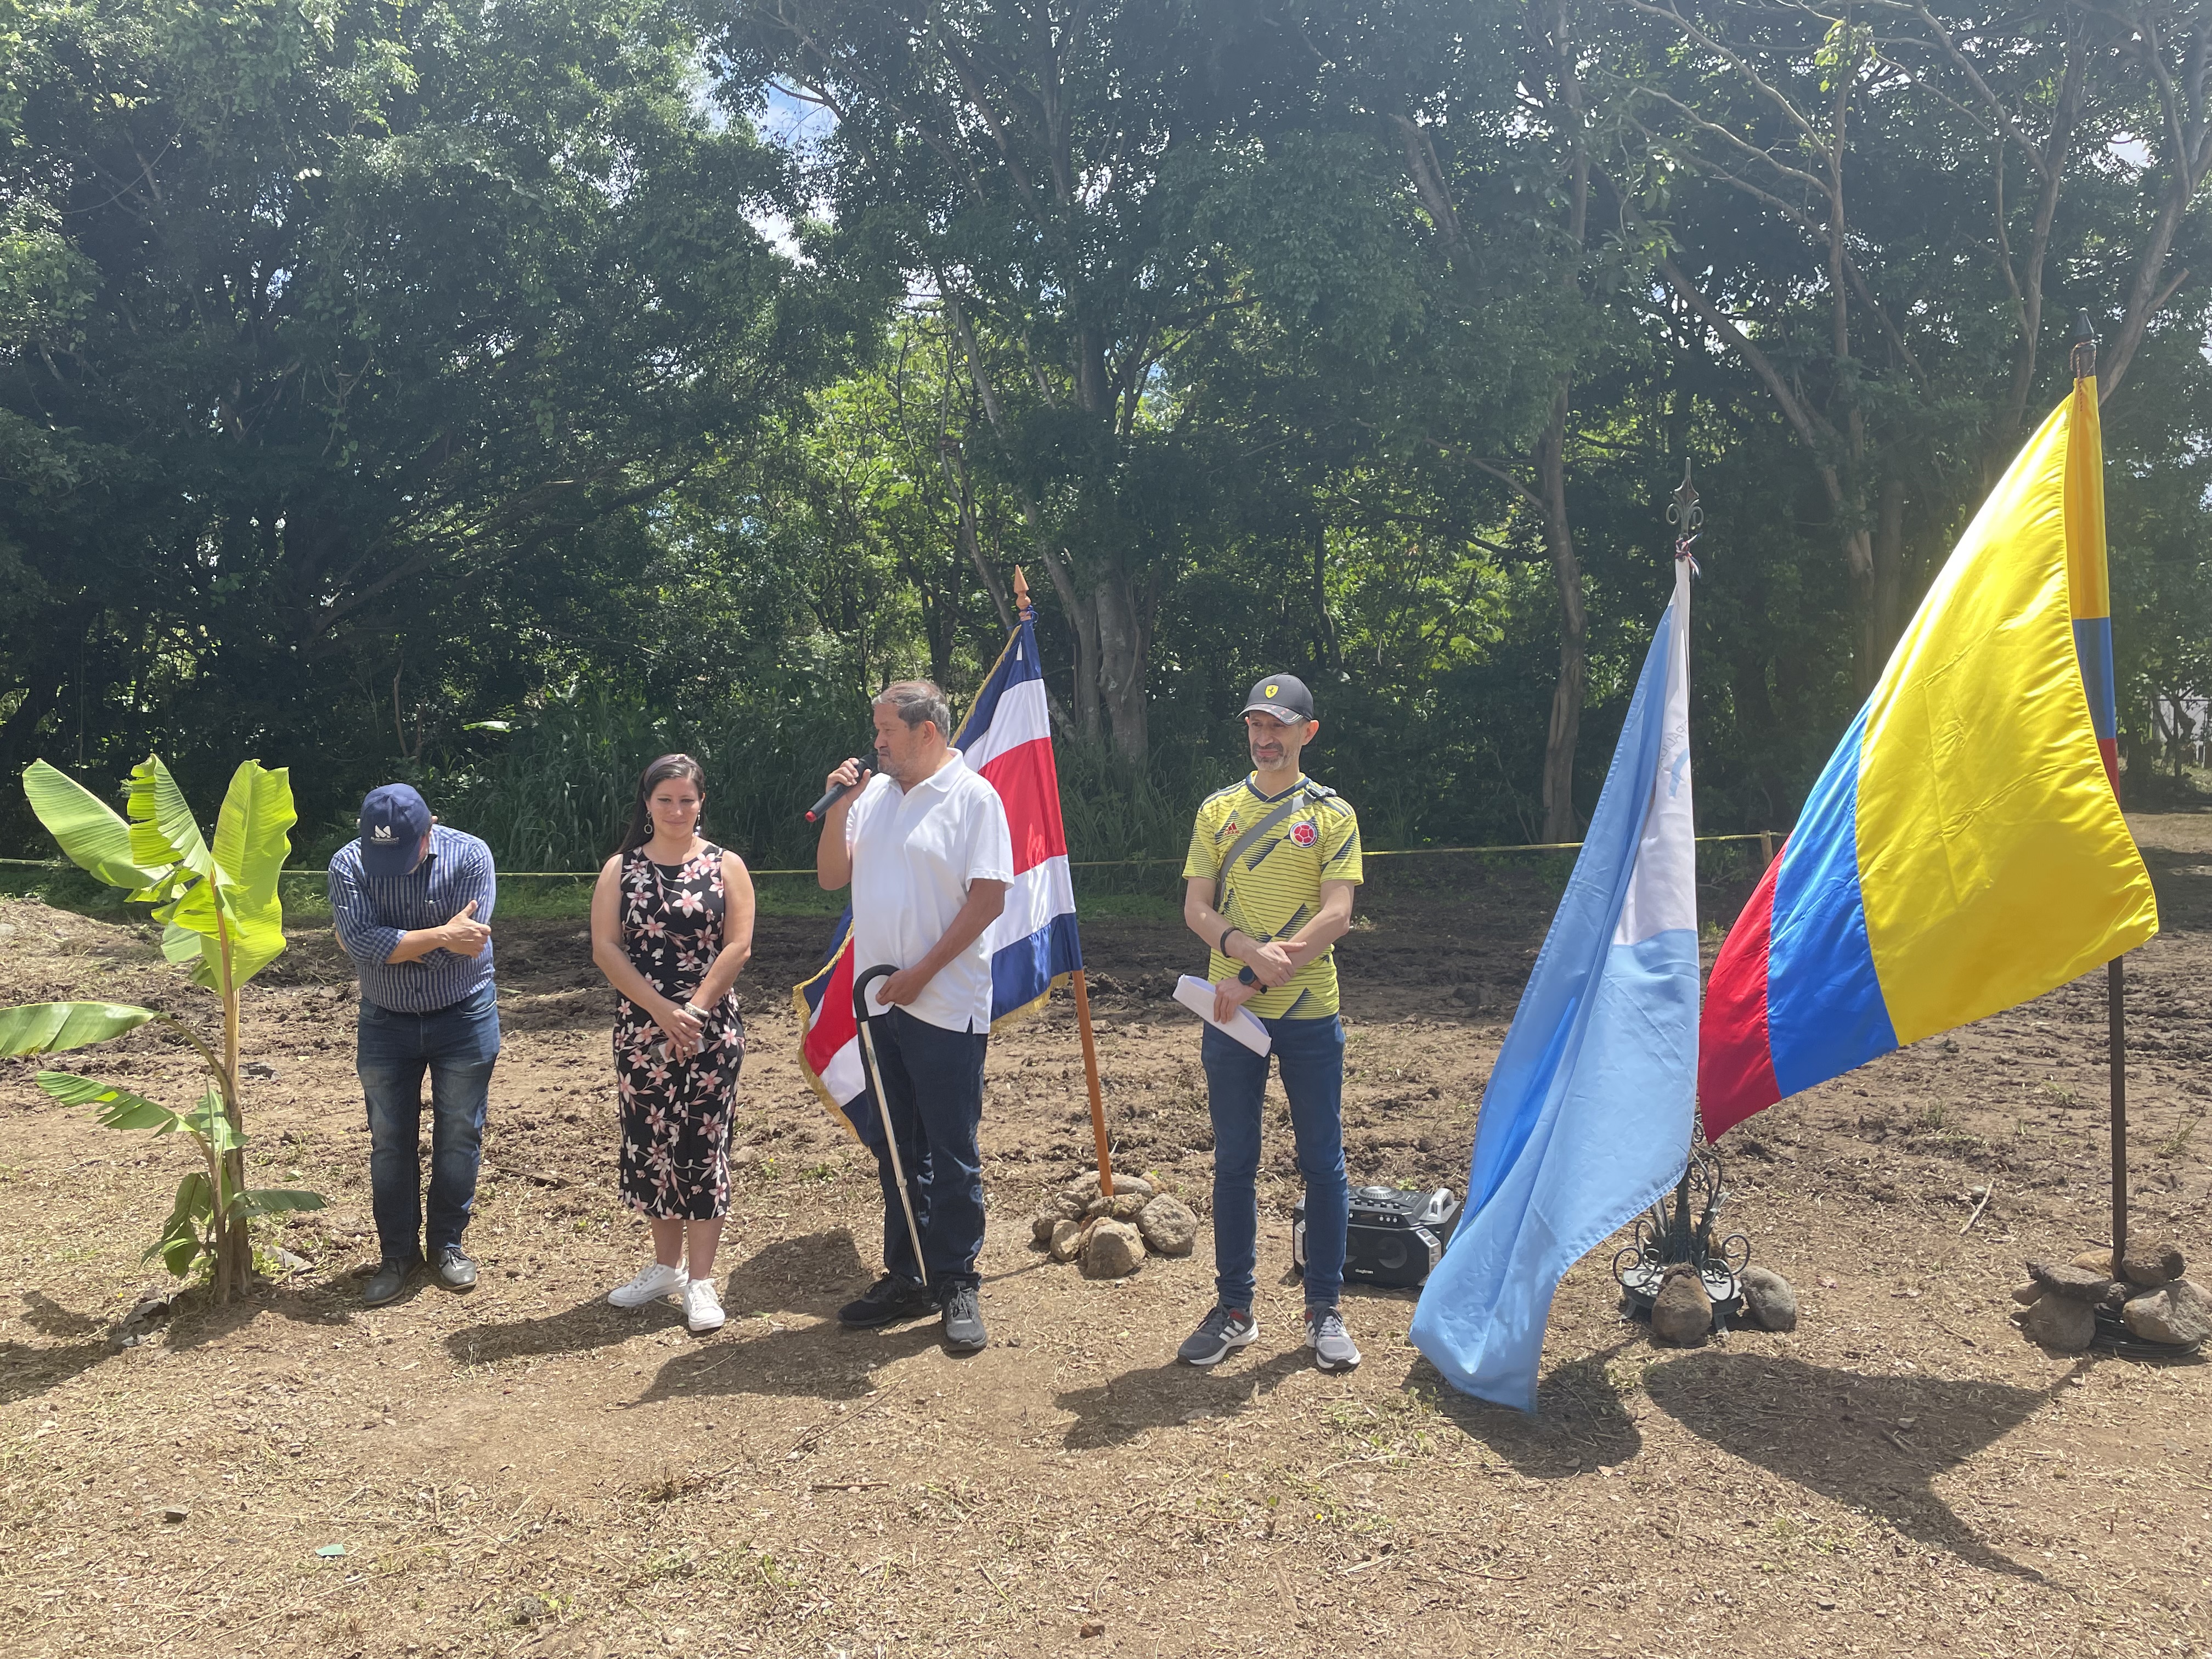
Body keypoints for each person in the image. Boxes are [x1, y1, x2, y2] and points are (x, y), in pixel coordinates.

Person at [815, 680, 1012, 1355]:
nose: (876, 742)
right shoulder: (870, 797)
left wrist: (923, 974)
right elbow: (831, 878)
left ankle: (957, 1279)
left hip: (946, 1004)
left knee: (951, 1150)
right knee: (897, 1148)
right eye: (876, 731)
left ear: (927, 732)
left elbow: (988, 900)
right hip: (876, 1004)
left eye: (887, 730)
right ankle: (907, 1273)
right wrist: (843, 802)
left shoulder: (973, 798)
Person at [1176, 672, 1364, 1371]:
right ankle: (1234, 1310)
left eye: (1278, 726)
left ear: (1306, 733)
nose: (1264, 738)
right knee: (1234, 1163)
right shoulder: (1217, 811)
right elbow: (1197, 909)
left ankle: (1324, 1310)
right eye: (1256, 726)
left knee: (1323, 1163)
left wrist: (1256, 975)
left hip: (1309, 1013)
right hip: (1229, 1017)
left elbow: (1337, 915)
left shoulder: (1333, 814)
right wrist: (1241, 951)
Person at [590, 754, 756, 1335]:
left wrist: (695, 1009)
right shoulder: (621, 869)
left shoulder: (725, 865)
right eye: (666, 800)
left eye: (687, 800)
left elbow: (738, 946)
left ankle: (702, 1281)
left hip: (711, 1029)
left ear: (701, 802)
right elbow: (607, 949)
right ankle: (666, 1268)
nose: (677, 810)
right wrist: (661, 1011)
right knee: (651, 1143)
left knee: (704, 1144)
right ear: (648, 803)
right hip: (642, 1031)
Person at [328, 784, 501, 1306]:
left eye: (407, 853)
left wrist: (398, 944)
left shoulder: (470, 855)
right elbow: (358, 941)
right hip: (386, 1020)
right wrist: (441, 934)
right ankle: (396, 1254)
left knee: (459, 1134)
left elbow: (467, 947)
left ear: (430, 830)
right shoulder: (347, 864)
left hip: (463, 1015)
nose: (397, 868)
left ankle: (447, 1244)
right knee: (389, 1139)